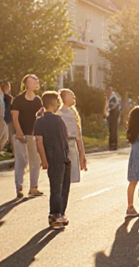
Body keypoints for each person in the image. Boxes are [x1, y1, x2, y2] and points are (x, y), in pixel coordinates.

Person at [33, 91, 71, 230]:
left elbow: (39, 142)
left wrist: (44, 160)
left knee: (57, 187)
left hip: (53, 157)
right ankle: (56, 214)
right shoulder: (58, 120)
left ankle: (58, 214)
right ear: (54, 103)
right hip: (62, 157)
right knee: (60, 188)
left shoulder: (39, 121)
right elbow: (64, 140)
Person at [10, 74, 45, 199]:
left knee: (35, 161)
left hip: (33, 134)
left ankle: (33, 187)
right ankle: (19, 187)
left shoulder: (38, 100)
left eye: (36, 81)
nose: (36, 83)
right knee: (22, 160)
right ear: (27, 84)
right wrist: (19, 132)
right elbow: (15, 117)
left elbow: (40, 117)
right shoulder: (18, 100)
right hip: (21, 134)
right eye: (33, 81)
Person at [58, 88, 88, 184]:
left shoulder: (73, 113)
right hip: (61, 145)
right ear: (64, 98)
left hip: (72, 145)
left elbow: (78, 136)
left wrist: (82, 155)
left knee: (69, 177)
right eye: (71, 95)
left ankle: (64, 197)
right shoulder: (58, 113)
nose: (74, 97)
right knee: (62, 176)